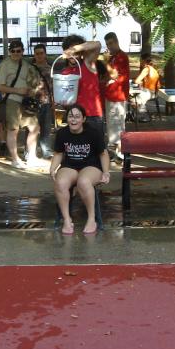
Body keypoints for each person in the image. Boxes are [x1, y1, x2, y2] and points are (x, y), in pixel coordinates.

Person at [50, 104, 110, 236]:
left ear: (83, 119)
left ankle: (91, 219)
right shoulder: (62, 133)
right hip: (70, 166)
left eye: (77, 117)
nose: (73, 120)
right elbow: (58, 153)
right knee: (60, 183)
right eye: (71, 116)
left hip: (91, 166)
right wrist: (52, 168)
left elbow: (103, 154)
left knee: (83, 181)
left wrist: (106, 172)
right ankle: (67, 220)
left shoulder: (93, 133)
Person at [0, 40, 41, 168]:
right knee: (13, 130)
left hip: (25, 101)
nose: (15, 53)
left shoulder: (26, 64)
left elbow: (31, 81)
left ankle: (31, 157)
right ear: (9, 51)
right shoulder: (4, 65)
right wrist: (17, 90)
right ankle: (15, 159)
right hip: (12, 100)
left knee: (35, 128)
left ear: (22, 51)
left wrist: (32, 90)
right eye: (13, 51)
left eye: (18, 51)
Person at [60, 34, 104, 133]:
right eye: (70, 51)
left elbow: (97, 45)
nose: (73, 54)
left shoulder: (88, 63)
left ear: (81, 52)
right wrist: (64, 103)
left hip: (93, 116)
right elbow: (66, 100)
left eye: (76, 52)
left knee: (95, 143)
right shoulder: (64, 73)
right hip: (75, 117)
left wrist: (74, 49)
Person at [102, 32, 130, 161]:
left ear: (117, 41)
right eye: (107, 44)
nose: (109, 46)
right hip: (111, 95)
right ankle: (117, 153)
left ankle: (121, 154)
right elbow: (108, 76)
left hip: (118, 97)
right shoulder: (113, 57)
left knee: (118, 125)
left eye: (111, 43)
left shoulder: (121, 56)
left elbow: (114, 75)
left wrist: (105, 62)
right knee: (112, 126)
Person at [32, 44, 54, 159]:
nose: (39, 55)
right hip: (33, 103)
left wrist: (54, 102)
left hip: (47, 102)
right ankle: (29, 150)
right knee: (31, 128)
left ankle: (46, 150)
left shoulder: (51, 69)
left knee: (46, 128)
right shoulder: (30, 69)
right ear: (34, 55)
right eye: (37, 53)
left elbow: (53, 86)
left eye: (41, 53)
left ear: (45, 54)